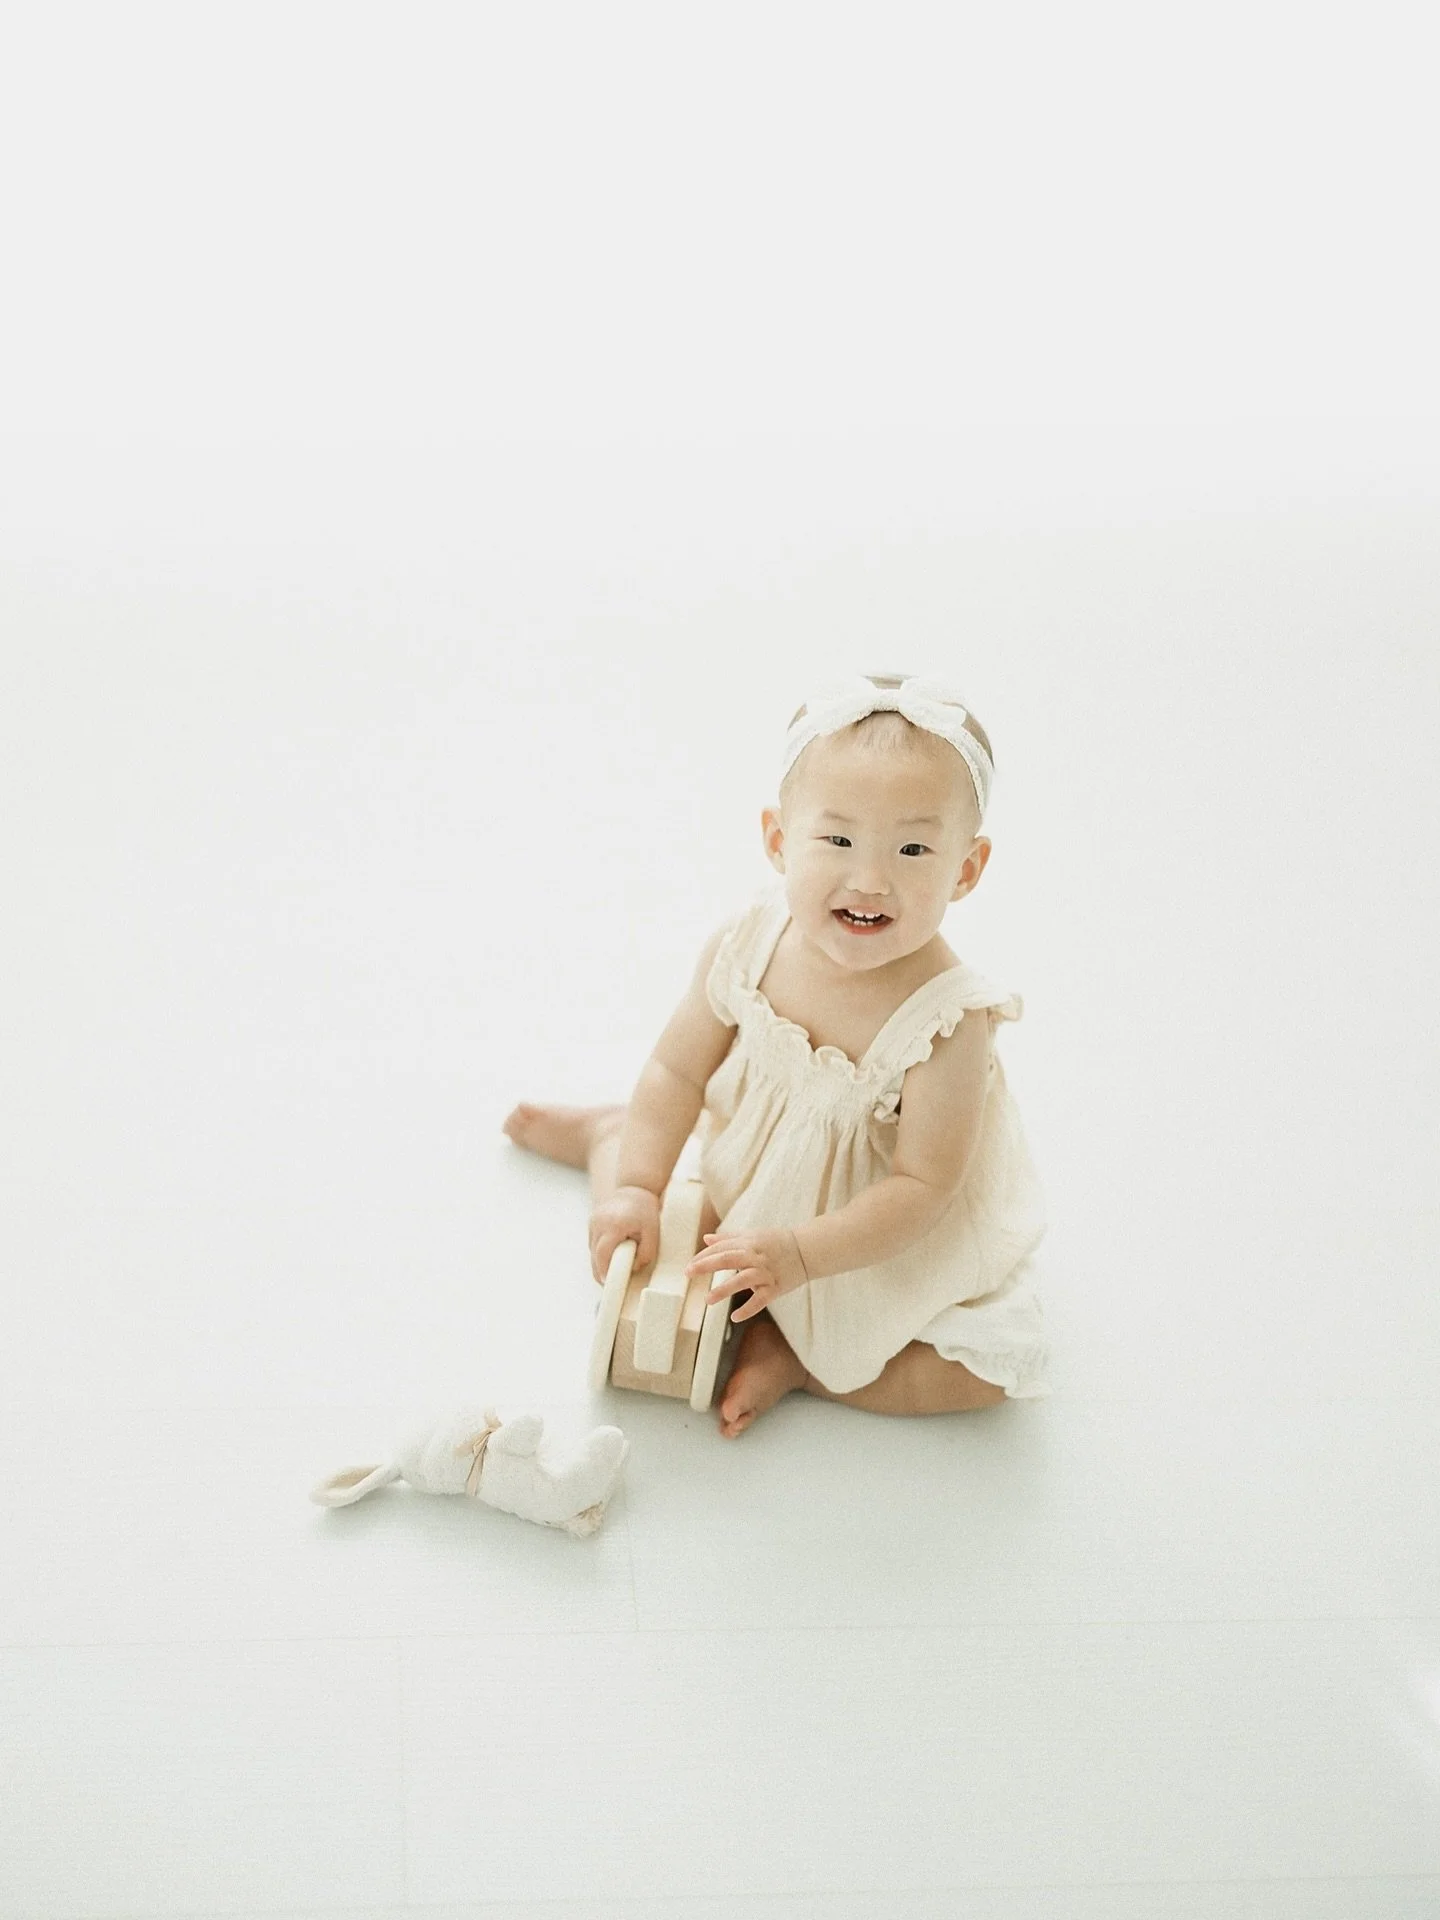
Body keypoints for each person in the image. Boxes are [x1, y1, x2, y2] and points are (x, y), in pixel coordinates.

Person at [504, 670, 1052, 1438]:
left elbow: (923, 1188)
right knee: (646, 1221)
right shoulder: (751, 942)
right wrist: (636, 1186)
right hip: (749, 1175)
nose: (871, 878)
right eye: (838, 839)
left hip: (863, 1240)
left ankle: (800, 1362)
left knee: (985, 1374)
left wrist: (799, 1255)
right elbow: (677, 1071)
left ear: (965, 868)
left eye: (913, 848)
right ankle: (615, 1144)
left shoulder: (948, 1023)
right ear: (777, 841)